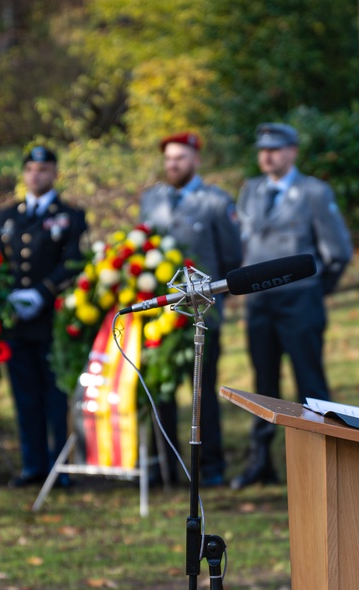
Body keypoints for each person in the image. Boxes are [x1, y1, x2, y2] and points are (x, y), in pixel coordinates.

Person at [232, 122, 353, 489]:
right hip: (259, 304)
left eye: (276, 148)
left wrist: (315, 291)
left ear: (292, 151)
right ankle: (260, 461)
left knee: (310, 384)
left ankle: (326, 459)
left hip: (300, 300)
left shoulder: (313, 192)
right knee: (263, 383)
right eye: (263, 149)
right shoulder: (250, 190)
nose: (267, 155)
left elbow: (339, 252)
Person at [139, 131, 243, 487]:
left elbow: (231, 257)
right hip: (160, 314)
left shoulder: (215, 201)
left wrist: (217, 299)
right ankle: (164, 464)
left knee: (202, 390)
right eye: (168, 159)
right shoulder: (151, 200)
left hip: (202, 312)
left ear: (196, 160)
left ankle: (210, 465)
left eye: (180, 158)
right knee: (160, 390)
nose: (173, 165)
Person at [0, 146, 87, 488]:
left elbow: (75, 261)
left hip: (52, 319)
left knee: (54, 394)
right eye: (30, 168)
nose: (36, 175)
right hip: (16, 321)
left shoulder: (71, 216)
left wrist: (43, 292)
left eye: (43, 169)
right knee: (24, 394)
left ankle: (59, 465)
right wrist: (7, 295)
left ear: (54, 174)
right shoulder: (7, 216)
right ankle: (32, 464)